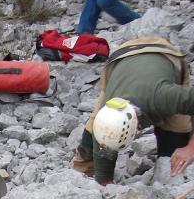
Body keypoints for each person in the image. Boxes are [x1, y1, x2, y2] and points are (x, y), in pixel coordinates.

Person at [72, 35, 194, 185]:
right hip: (120, 58)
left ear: (137, 128)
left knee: (174, 154)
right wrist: (104, 188)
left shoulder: (165, 96)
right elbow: (103, 173)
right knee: (91, 139)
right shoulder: (105, 118)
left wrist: (190, 148)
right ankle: (82, 169)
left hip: (163, 53)